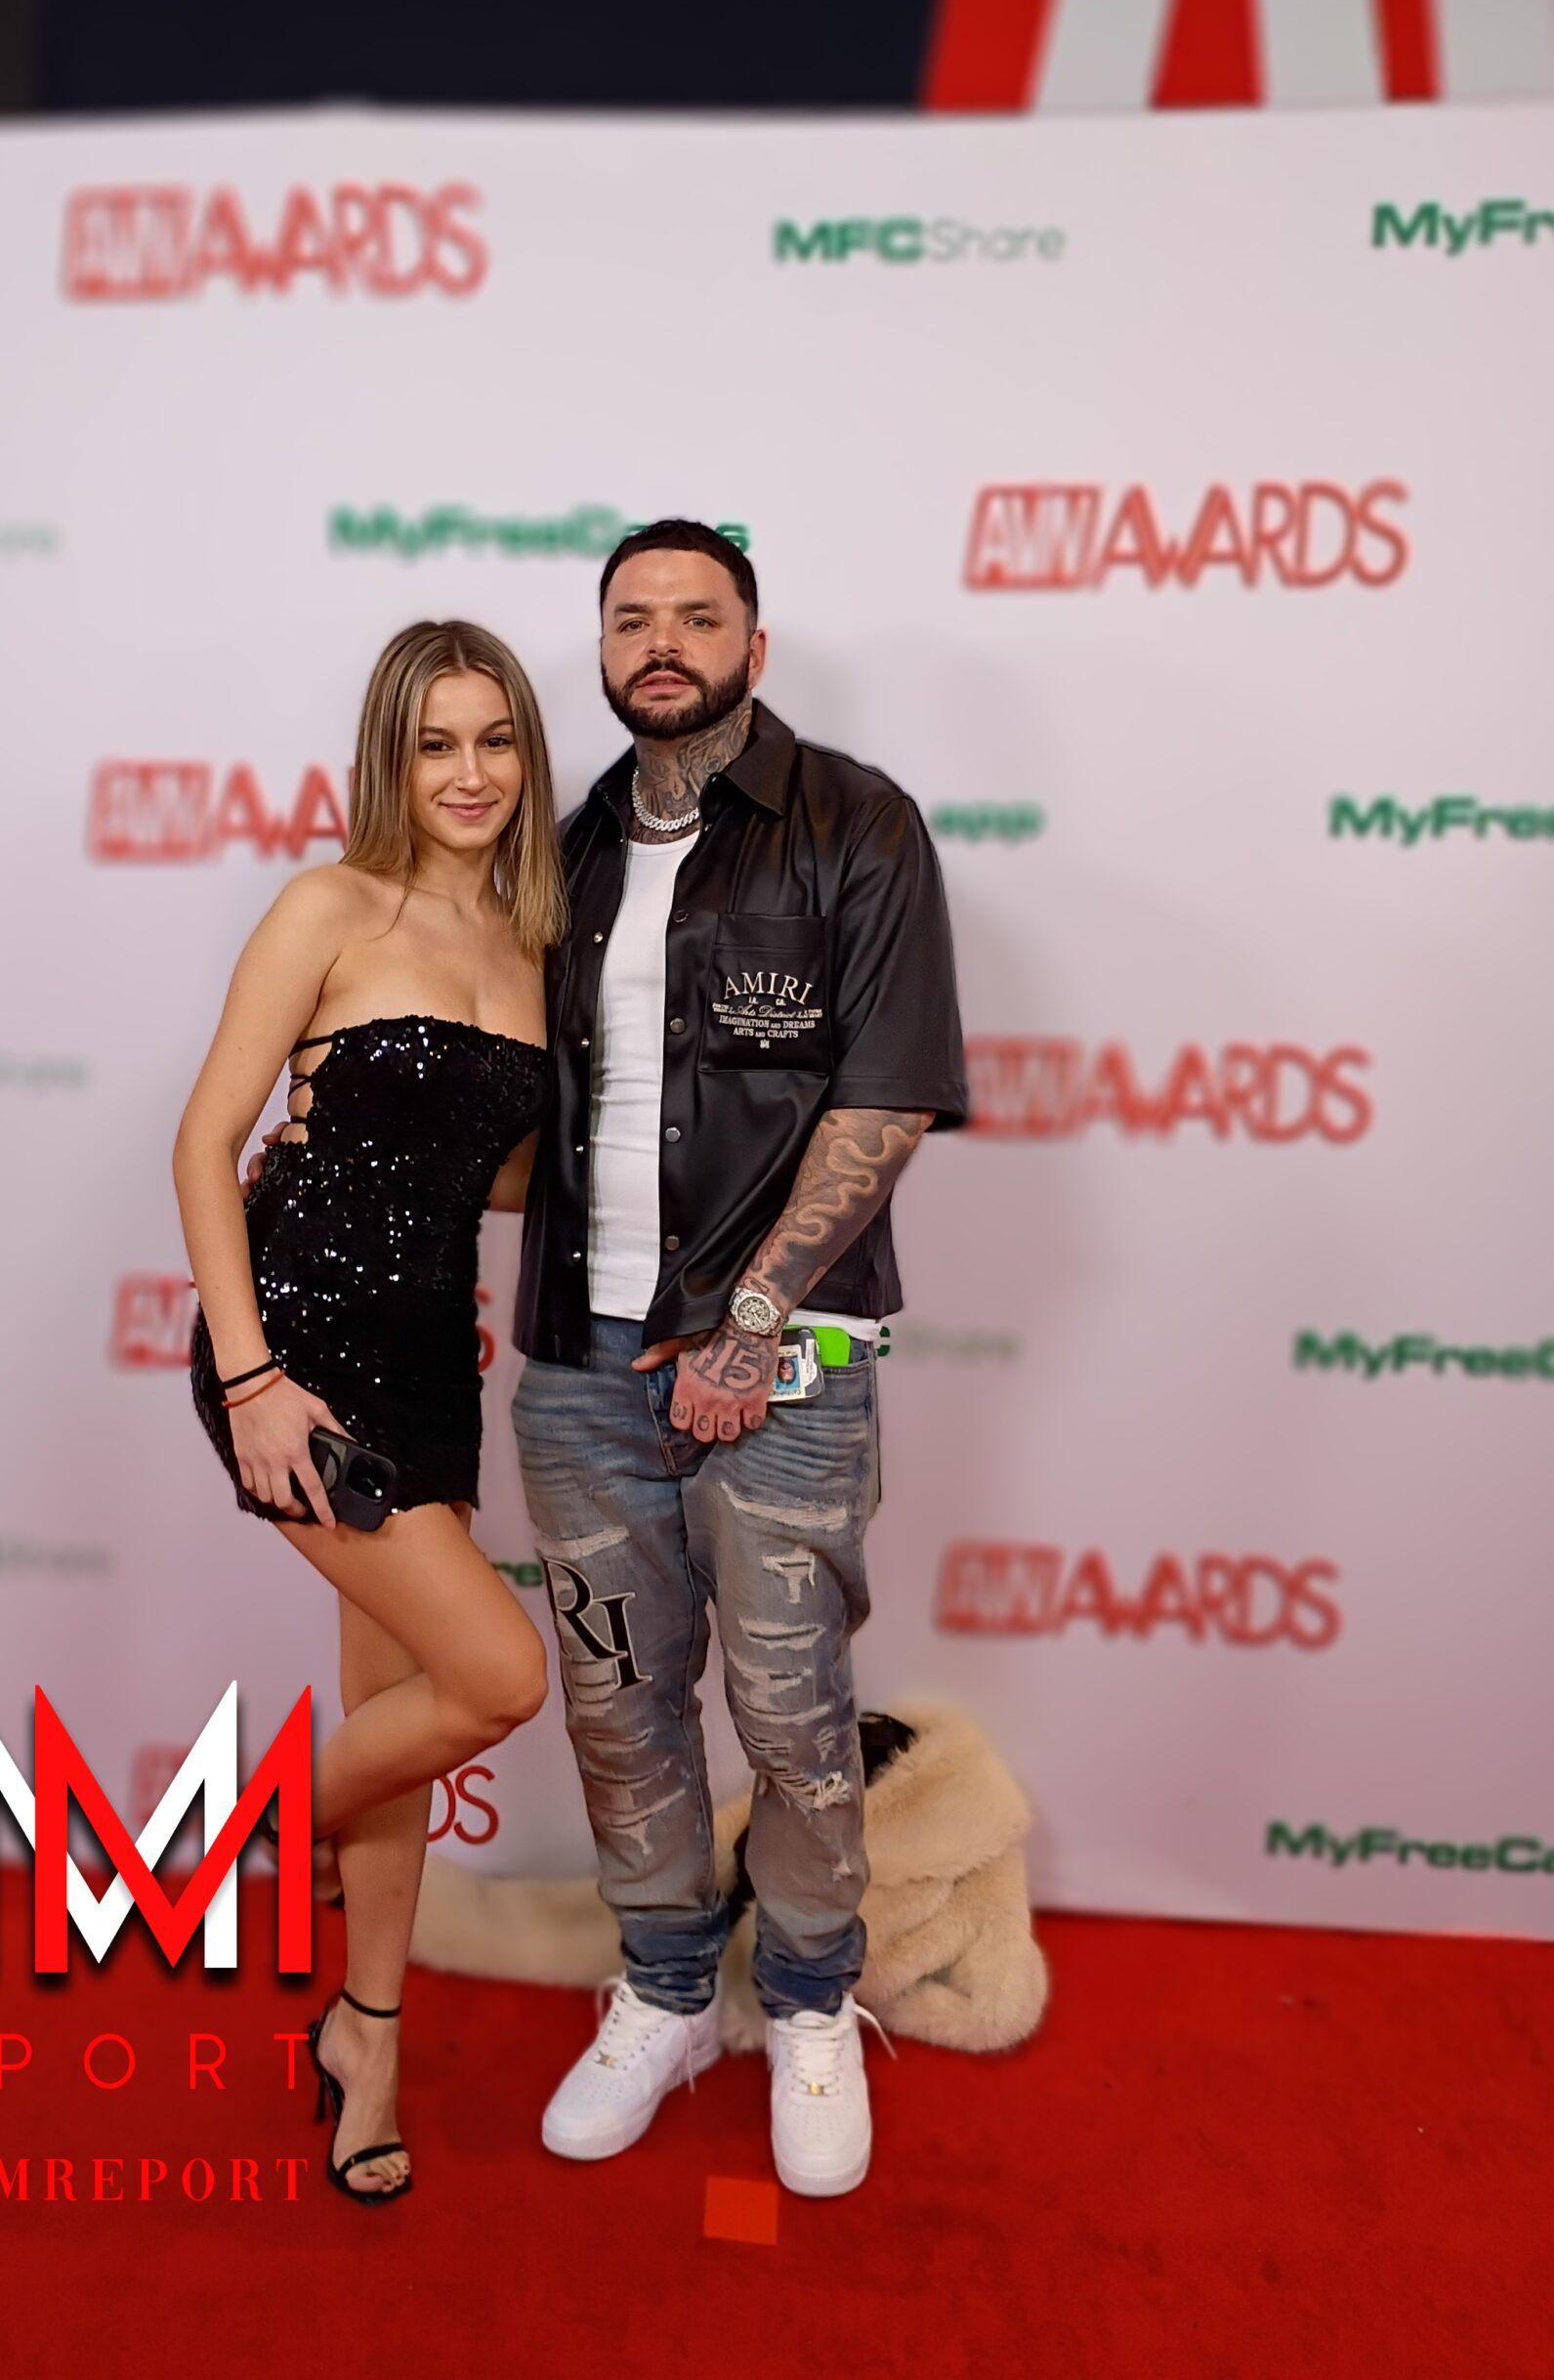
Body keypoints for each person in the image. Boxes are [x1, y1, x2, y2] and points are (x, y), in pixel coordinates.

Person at [512, 521, 968, 2198]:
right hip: (578, 1369)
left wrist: (748, 1326)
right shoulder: (561, 853)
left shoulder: (857, 824)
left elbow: (886, 1099)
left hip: (784, 1364)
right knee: (620, 1704)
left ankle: (809, 2002)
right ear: (603, 651)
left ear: (752, 649)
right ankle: (663, 1992)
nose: (664, 641)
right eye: (632, 617)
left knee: (790, 1711)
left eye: (698, 616)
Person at [173, 618, 565, 2203]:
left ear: (528, 755)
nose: (470, 774)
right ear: (390, 759)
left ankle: (368, 2041)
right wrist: (253, 1379)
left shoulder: (535, 948)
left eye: (496, 740)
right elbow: (206, 1141)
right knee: (499, 1673)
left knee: (402, 1713)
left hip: (432, 1367)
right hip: (296, 1355)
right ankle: (243, 1839)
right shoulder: (328, 907)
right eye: (436, 743)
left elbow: (491, 1174)